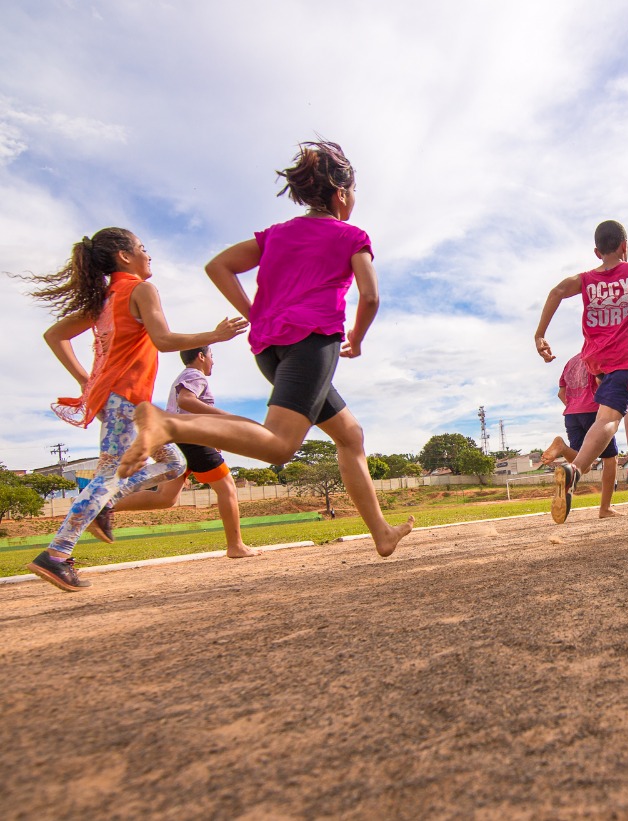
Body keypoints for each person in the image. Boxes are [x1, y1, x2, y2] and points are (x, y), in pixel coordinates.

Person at [118, 140, 414, 557]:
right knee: (280, 444)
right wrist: (357, 340)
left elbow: (217, 266)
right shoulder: (351, 236)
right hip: (311, 342)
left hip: (269, 349)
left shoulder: (276, 235)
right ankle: (168, 425)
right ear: (342, 194)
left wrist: (256, 313)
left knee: (350, 435)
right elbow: (370, 297)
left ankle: (381, 531)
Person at [21, 228, 248, 591]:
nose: (149, 255)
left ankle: (103, 503)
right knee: (110, 474)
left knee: (174, 463)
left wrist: (86, 380)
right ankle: (57, 554)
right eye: (143, 248)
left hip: (122, 399)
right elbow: (163, 340)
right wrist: (213, 336)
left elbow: (55, 335)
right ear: (125, 257)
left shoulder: (105, 298)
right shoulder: (140, 289)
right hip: (123, 398)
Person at [534, 220, 628, 523]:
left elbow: (556, 291)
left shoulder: (586, 279)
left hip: (599, 364)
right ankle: (573, 472)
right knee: (609, 419)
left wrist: (540, 334)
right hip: (626, 360)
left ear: (596, 251)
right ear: (625, 247)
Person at [106, 346, 262, 558]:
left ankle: (105, 505)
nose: (213, 361)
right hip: (192, 440)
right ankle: (236, 546)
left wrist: (213, 436)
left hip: (178, 440)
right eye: (211, 356)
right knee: (227, 489)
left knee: (165, 498)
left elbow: (183, 407)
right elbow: (186, 401)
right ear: (200, 356)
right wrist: (226, 418)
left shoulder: (183, 377)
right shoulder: (194, 375)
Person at [539, 353, 622, 518]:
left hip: (572, 415)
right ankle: (605, 509)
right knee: (610, 459)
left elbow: (561, 393)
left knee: (582, 465)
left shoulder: (570, 362)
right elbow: (604, 383)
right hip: (595, 413)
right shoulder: (597, 355)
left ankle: (562, 447)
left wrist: (575, 406)